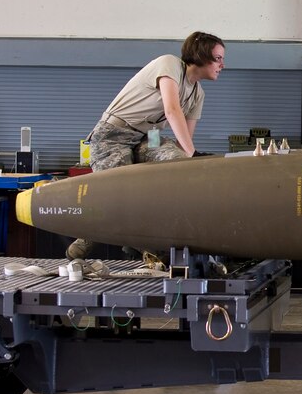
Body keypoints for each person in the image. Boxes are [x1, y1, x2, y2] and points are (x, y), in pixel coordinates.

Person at [65, 31, 225, 260]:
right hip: (114, 135)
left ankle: (145, 239)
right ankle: (88, 242)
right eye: (218, 58)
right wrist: (191, 154)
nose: (222, 65)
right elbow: (172, 110)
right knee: (119, 192)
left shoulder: (197, 94)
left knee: (179, 164)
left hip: (148, 137)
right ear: (200, 55)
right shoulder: (169, 64)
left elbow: (185, 143)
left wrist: (191, 160)